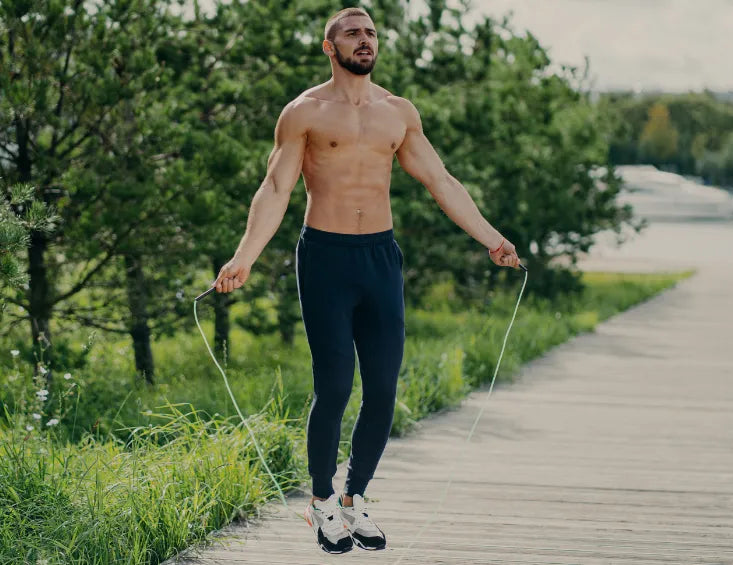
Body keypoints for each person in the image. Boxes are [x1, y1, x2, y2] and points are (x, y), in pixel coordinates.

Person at [210, 6, 521, 554]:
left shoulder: (398, 113)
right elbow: (276, 189)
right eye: (352, 33)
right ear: (329, 47)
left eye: (371, 32)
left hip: (380, 257)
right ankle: (322, 501)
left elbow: (440, 180)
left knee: (382, 388)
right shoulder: (303, 113)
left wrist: (490, 237)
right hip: (325, 258)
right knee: (334, 386)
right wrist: (245, 257)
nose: (364, 40)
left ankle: (355, 499)